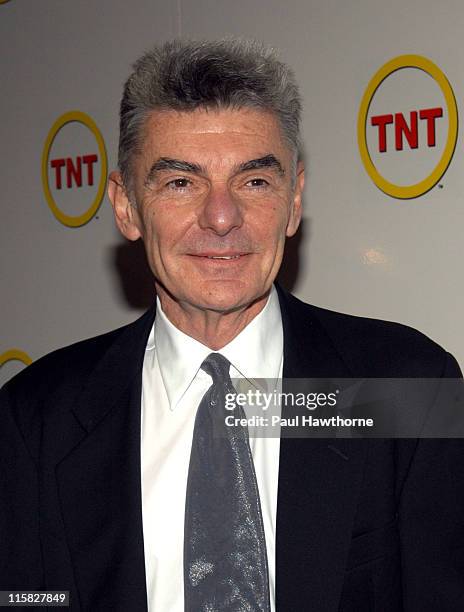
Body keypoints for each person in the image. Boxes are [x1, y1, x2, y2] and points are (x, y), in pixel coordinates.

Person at [1, 39, 463, 612]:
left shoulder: (409, 390)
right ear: (125, 206)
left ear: (294, 200)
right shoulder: (34, 417)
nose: (222, 217)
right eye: (180, 182)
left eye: (254, 181)